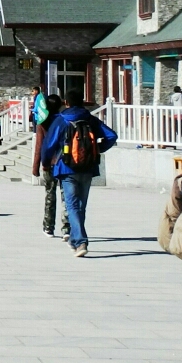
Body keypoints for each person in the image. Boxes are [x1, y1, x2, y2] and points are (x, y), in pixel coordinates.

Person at [39, 91, 117, 257]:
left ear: (66, 102)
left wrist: (45, 163)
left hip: (67, 168)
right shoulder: (90, 119)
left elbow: (49, 145)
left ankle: (81, 241)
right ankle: (74, 239)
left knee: (72, 205)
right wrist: (97, 150)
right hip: (88, 168)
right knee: (81, 206)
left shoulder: (61, 120)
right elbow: (111, 135)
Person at [30, 93, 67, 237]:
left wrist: (35, 167)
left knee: (50, 196)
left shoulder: (42, 124)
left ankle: (48, 227)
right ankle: (66, 228)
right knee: (66, 196)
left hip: (48, 164)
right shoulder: (64, 121)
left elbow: (39, 146)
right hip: (64, 162)